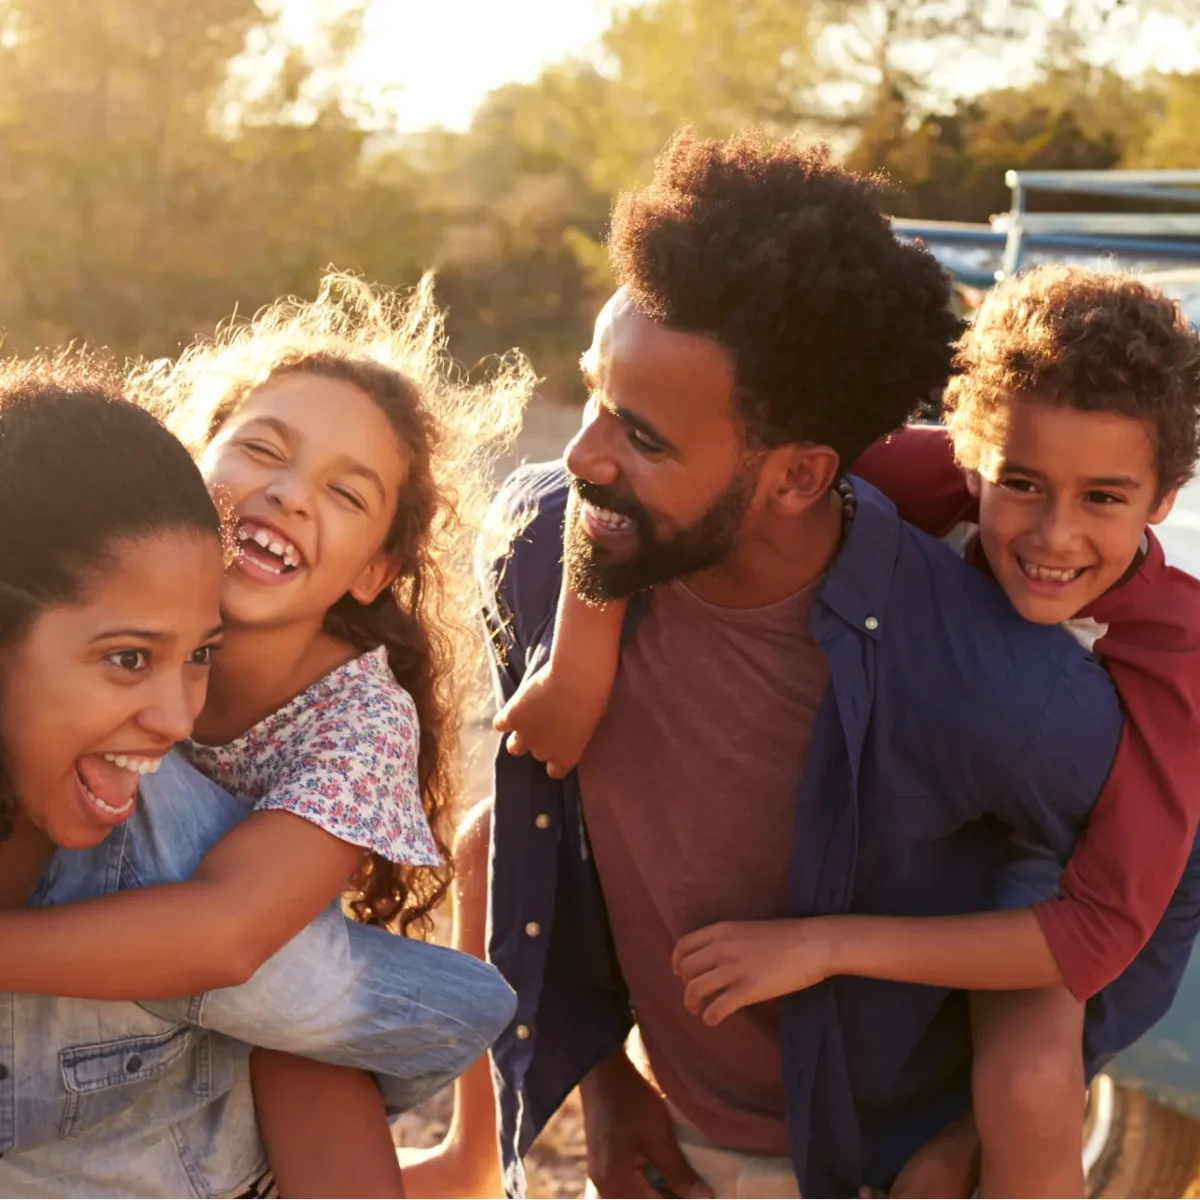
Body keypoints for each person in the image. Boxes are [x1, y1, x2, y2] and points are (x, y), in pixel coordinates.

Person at [472, 130, 1200, 1199]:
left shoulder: (1060, 680)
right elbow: (546, 838)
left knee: (1030, 1072)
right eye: (593, 395)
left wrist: (978, 1098)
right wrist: (601, 1084)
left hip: (869, 1140)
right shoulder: (554, 538)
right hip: (663, 1128)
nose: (1050, 531)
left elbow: (1140, 905)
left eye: (644, 434)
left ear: (799, 477)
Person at [0, 276, 528, 1196]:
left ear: (376, 570)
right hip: (86, 974)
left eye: (344, 493)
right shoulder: (85, 580)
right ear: (191, 457)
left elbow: (236, 934)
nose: (287, 496)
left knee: (314, 1044)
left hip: (236, 980)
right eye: (261, 451)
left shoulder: (356, 718)